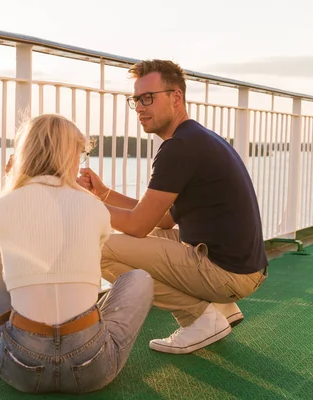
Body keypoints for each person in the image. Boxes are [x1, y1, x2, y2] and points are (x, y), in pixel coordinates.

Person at [79, 59, 268, 355]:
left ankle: (199, 318)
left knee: (96, 248)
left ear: (176, 97)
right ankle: (221, 308)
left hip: (227, 272)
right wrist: (102, 194)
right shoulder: (197, 139)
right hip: (244, 267)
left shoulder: (179, 147)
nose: (140, 107)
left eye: (148, 98)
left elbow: (139, 226)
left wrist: (84, 204)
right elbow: (163, 220)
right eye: (136, 100)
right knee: (137, 239)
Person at [0, 114, 153, 394]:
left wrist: (10, 182)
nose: (80, 161)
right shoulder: (94, 207)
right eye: (79, 153)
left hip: (21, 368)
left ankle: (2, 343)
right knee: (140, 279)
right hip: (91, 366)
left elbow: (1, 255)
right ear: (66, 156)